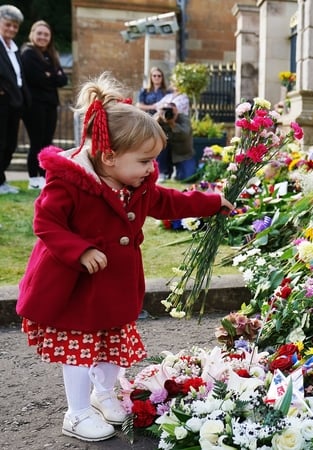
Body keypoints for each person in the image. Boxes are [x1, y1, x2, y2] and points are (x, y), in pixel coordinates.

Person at [15, 72, 234, 443]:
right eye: (146, 160)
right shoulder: (70, 181)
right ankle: (77, 411)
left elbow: (169, 201)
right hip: (77, 288)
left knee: (111, 346)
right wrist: (79, 250)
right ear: (109, 156)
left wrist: (211, 202)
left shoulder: (134, 181)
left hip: (114, 287)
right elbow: (46, 222)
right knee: (81, 352)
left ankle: (103, 395)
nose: (152, 169)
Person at [20, 20, 68, 190]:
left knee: (47, 142)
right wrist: (51, 75)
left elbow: (63, 79)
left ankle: (44, 175)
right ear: (32, 34)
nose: (42, 37)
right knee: (36, 141)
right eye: (39, 33)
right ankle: (33, 178)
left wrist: (50, 75)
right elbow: (36, 78)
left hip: (50, 104)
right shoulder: (27, 53)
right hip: (34, 105)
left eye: (46, 34)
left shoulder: (51, 54)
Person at [0, 5, 27, 195]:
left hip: (14, 104)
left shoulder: (15, 49)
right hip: (2, 102)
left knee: (10, 144)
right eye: (8, 24)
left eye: (15, 26)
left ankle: (1, 180)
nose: (11, 29)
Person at [155, 101, 196, 181]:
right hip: (164, 154)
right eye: (166, 109)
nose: (168, 113)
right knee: (161, 146)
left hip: (182, 155)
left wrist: (172, 124)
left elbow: (185, 135)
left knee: (186, 177)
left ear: (177, 111)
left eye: (171, 110)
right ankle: (162, 172)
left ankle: (176, 172)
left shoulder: (183, 118)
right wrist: (157, 119)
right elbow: (148, 132)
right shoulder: (158, 118)